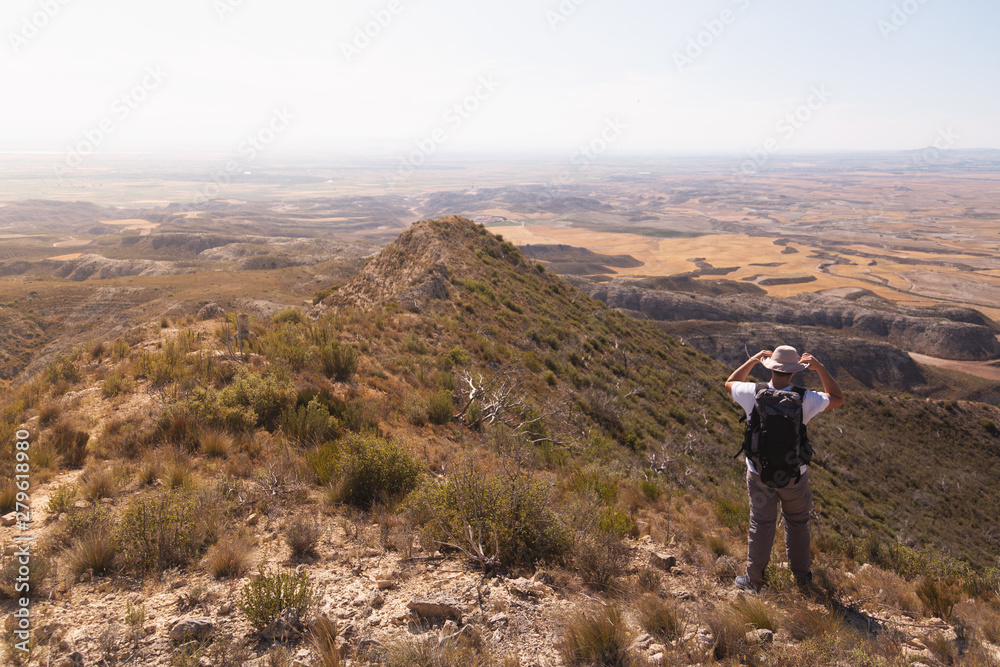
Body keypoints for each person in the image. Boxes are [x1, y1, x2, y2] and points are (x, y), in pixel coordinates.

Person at [724, 345, 844, 592]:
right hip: (794, 476)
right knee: (798, 523)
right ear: (794, 372)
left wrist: (754, 361)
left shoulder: (751, 392)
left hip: (759, 474)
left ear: (771, 367)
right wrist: (820, 367)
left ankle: (754, 581)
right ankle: (802, 579)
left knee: (761, 523)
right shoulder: (807, 398)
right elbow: (838, 397)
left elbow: (730, 382)